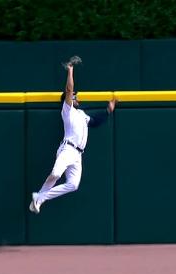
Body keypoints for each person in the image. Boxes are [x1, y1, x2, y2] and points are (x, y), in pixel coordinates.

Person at [29, 61, 116, 214]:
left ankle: (39, 197)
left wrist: (107, 111)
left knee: (73, 185)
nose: (77, 98)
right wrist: (70, 71)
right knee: (56, 174)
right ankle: (38, 197)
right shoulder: (67, 110)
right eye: (74, 96)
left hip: (77, 155)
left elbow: (94, 122)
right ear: (68, 99)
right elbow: (69, 90)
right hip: (68, 148)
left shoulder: (82, 115)